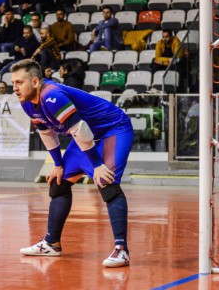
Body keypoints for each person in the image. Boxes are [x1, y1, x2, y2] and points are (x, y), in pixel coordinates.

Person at [12, 59, 133, 268]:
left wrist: (96, 165)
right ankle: (52, 243)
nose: (14, 88)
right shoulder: (26, 103)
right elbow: (46, 132)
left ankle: (121, 250)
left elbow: (80, 129)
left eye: (19, 83)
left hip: (113, 129)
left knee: (107, 184)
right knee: (58, 183)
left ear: (34, 81)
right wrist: (58, 163)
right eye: (13, 83)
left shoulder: (51, 95)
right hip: (86, 136)